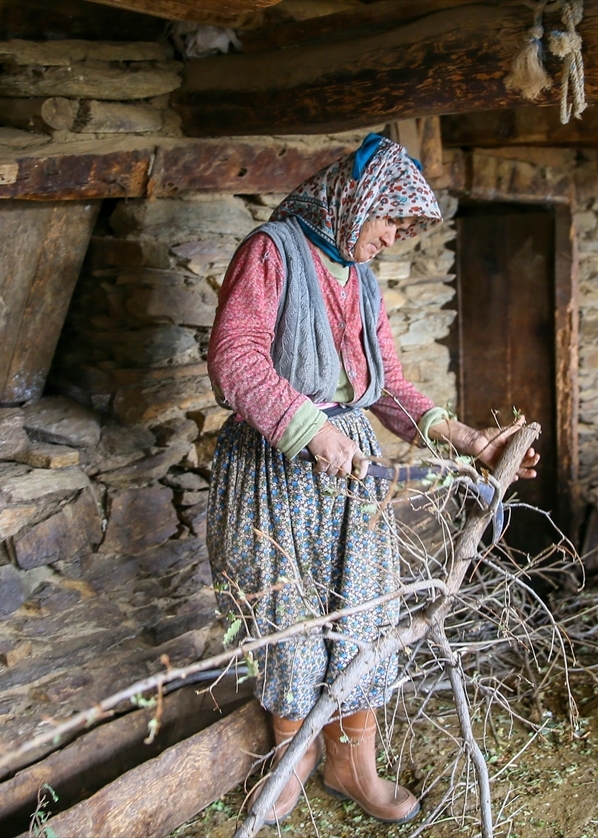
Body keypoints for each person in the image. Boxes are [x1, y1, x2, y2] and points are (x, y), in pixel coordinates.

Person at [206, 133, 538, 826]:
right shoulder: (271, 252)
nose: (394, 239)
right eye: (392, 221)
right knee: (287, 618)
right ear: (355, 204)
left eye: (406, 229)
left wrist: (468, 439)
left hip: (346, 466)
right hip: (276, 463)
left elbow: (385, 388)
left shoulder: (360, 278)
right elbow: (235, 360)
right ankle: (289, 765)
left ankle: (351, 765)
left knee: (361, 611)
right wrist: (308, 428)